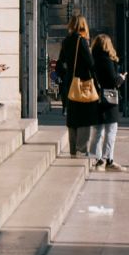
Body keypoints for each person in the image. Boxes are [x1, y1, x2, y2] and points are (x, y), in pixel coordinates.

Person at [56, 14, 98, 158]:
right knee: (85, 116)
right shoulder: (82, 41)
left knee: (72, 117)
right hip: (83, 83)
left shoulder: (66, 41)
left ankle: (73, 149)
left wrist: (66, 76)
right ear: (83, 26)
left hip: (70, 83)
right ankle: (82, 148)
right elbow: (90, 63)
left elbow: (60, 63)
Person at [90, 34, 127, 172]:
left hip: (95, 97)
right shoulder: (107, 60)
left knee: (98, 130)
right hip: (109, 98)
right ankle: (107, 160)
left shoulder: (92, 60)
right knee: (111, 129)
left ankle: (97, 159)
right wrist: (121, 78)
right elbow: (113, 81)